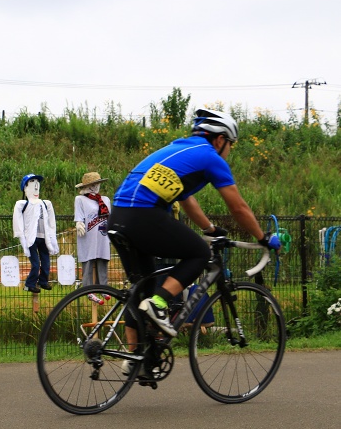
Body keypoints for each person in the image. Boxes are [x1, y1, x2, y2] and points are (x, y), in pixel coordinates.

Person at [108, 108, 281, 374]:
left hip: (118, 216)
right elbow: (239, 208)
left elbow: (185, 197)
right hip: (144, 215)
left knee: (141, 288)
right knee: (199, 253)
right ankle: (160, 303)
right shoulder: (211, 157)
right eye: (231, 145)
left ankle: (136, 359)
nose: (229, 151)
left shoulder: (178, 151)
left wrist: (210, 228)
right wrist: (263, 237)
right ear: (221, 139)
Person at [13, 173, 59, 294]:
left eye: (37, 184)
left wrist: (53, 239)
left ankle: (43, 281)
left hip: (44, 237)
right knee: (35, 263)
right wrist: (23, 241)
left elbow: (51, 222)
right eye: (32, 184)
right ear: (25, 188)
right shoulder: (22, 204)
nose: (35, 187)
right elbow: (18, 224)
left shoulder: (45, 204)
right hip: (30, 238)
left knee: (46, 261)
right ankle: (30, 284)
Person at [74, 171, 111, 286]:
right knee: (88, 259)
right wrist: (79, 223)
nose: (95, 187)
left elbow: (110, 217)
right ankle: (87, 287)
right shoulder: (80, 199)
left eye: (97, 184)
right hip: (88, 235)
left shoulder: (105, 200)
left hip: (102, 234)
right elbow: (79, 216)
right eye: (92, 184)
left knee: (103, 260)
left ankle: (103, 287)